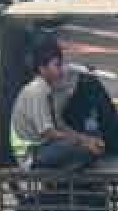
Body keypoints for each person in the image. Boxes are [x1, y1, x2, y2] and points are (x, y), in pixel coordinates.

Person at [10, 39, 102, 170]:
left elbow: (59, 125)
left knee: (91, 144)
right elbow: (48, 132)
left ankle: (73, 164)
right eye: (57, 66)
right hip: (33, 153)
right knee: (82, 149)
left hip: (45, 146)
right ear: (42, 69)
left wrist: (86, 138)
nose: (61, 70)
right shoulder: (38, 90)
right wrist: (82, 142)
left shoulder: (48, 88)